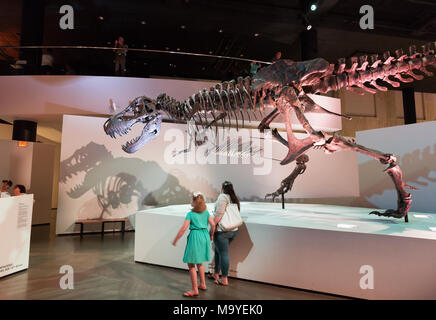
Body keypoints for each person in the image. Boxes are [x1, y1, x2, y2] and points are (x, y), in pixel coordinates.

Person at [172, 192, 215, 297]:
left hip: (195, 236)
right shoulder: (205, 212)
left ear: (194, 202)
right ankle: (203, 284)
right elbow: (213, 224)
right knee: (199, 262)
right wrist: (211, 235)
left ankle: (195, 290)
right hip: (204, 235)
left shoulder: (190, 214)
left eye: (191, 200)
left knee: (191, 263)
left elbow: (183, 228)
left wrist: (176, 239)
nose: (190, 201)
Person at [210, 181, 240, 286]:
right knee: (219, 251)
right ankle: (216, 274)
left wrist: (212, 228)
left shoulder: (222, 197)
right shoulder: (234, 198)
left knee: (223, 253)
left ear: (222, 188)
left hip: (222, 231)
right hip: (233, 230)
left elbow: (219, 214)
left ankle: (224, 279)